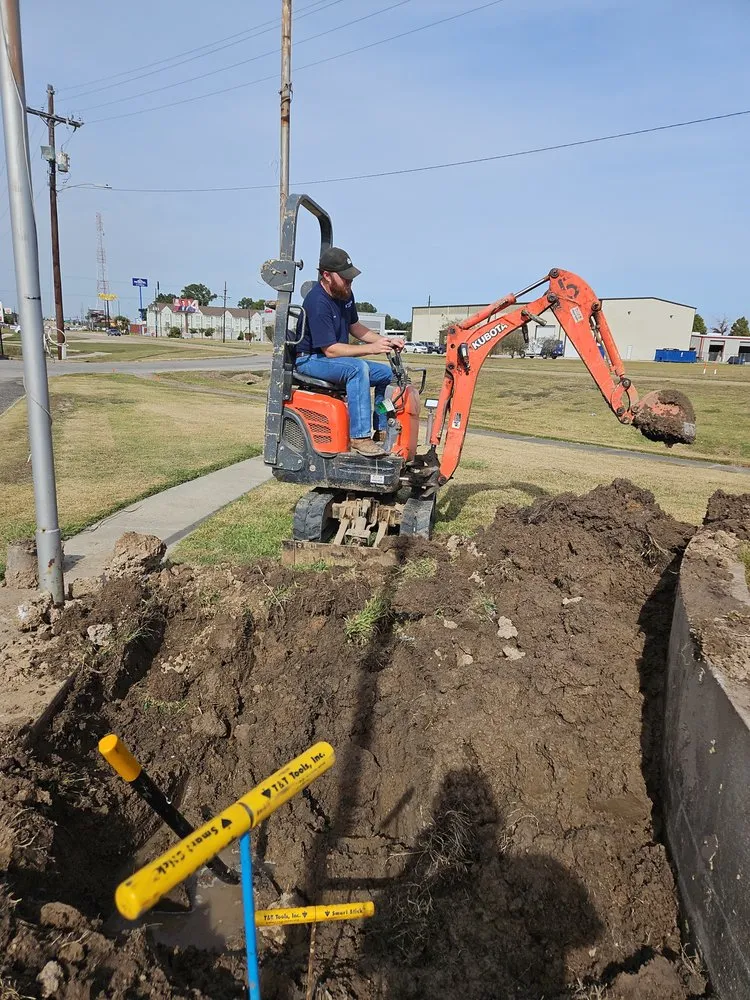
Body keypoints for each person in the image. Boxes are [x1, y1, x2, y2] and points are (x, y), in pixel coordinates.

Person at [295, 247, 405, 457]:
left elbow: (355, 326)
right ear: (326, 276)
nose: (349, 283)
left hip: (332, 358)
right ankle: (360, 437)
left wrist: (385, 341)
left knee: (386, 375)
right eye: (345, 278)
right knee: (357, 369)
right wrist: (371, 349)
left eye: (351, 278)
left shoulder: (344, 294)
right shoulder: (317, 302)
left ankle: (381, 429)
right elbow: (331, 350)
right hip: (311, 359)